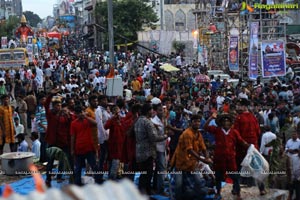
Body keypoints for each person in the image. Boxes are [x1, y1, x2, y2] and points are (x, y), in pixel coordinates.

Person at [204, 112, 249, 200]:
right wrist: (210, 118)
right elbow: (205, 127)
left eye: (227, 121)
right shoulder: (217, 130)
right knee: (218, 177)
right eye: (224, 121)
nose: (226, 123)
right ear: (221, 123)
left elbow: (241, 141)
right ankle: (217, 192)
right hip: (219, 159)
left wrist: (250, 146)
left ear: (230, 123)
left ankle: (238, 193)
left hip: (231, 159)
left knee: (235, 177)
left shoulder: (234, 132)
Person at [171, 114, 212, 200]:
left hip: (192, 163)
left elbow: (204, 148)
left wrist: (207, 157)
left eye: (198, 121)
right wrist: (203, 159)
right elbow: (189, 150)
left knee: (199, 182)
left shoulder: (199, 134)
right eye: (195, 121)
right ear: (191, 123)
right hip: (181, 163)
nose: (197, 123)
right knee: (178, 185)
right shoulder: (187, 133)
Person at [134, 102, 168, 195]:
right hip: (147, 151)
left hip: (139, 149)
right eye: (151, 110)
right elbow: (154, 137)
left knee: (144, 173)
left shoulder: (138, 120)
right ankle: (146, 192)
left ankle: (144, 190)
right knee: (148, 173)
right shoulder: (148, 122)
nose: (153, 111)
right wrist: (165, 136)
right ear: (148, 111)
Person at [233, 98, 266, 195]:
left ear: (244, 106)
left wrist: (241, 143)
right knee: (257, 168)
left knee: (238, 168)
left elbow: (236, 134)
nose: (237, 107)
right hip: (253, 147)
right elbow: (258, 132)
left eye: (239, 105)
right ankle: (262, 189)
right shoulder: (253, 117)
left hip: (242, 147)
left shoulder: (239, 118)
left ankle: (236, 189)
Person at [44, 88, 74, 187]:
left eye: (60, 105)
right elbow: (46, 105)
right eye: (57, 105)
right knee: (50, 162)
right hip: (52, 141)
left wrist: (69, 115)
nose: (59, 107)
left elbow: (71, 123)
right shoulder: (50, 115)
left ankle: (60, 176)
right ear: (54, 106)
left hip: (63, 141)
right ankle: (48, 180)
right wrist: (50, 95)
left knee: (64, 160)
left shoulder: (65, 116)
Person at [71, 105, 101, 186]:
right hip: (79, 148)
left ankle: (98, 181)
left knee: (94, 166)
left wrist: (86, 117)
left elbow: (95, 123)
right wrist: (72, 149)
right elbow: (73, 137)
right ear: (76, 114)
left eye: (81, 112)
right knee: (78, 168)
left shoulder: (87, 120)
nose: (80, 114)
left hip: (89, 147)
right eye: (79, 113)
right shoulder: (73, 123)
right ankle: (77, 184)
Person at [151, 102, 168, 196]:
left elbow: (165, 131)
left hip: (163, 146)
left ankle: (155, 187)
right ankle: (160, 190)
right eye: (160, 110)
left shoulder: (163, 120)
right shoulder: (154, 122)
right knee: (161, 168)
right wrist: (166, 136)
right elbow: (155, 136)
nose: (162, 111)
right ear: (156, 111)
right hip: (157, 147)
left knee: (158, 168)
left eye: (163, 110)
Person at [95, 95, 111, 183]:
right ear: (100, 101)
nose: (106, 102)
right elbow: (100, 124)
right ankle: (99, 177)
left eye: (106, 100)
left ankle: (100, 175)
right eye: (104, 100)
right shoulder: (99, 110)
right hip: (103, 137)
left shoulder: (105, 110)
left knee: (104, 157)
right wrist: (105, 137)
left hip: (107, 136)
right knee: (102, 158)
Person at [35, 93, 48, 163]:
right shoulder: (38, 108)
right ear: (39, 100)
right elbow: (38, 120)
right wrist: (44, 127)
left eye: (45, 99)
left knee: (46, 144)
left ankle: (45, 158)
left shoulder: (45, 107)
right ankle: (43, 159)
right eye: (43, 99)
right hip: (43, 129)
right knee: (43, 144)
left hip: (47, 128)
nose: (44, 100)